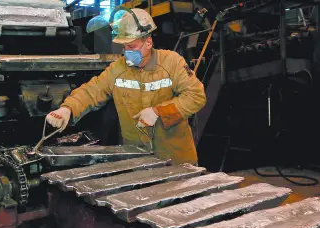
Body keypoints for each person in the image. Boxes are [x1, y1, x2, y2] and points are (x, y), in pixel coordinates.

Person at [46, 8, 206, 165]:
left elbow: (196, 96)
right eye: (124, 47)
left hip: (176, 160)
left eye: (131, 47)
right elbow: (91, 91)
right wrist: (67, 109)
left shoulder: (172, 62)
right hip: (138, 159)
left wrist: (159, 112)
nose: (126, 52)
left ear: (148, 43)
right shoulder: (118, 69)